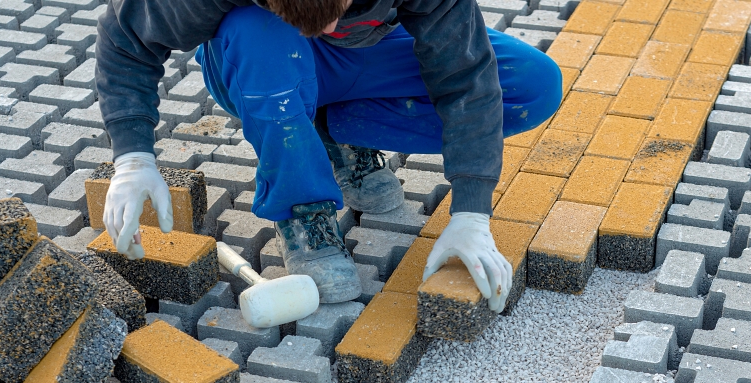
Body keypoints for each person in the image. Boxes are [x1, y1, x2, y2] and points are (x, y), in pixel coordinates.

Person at [96, 0, 562, 313]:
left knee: (531, 85)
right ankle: (304, 209)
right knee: (255, 29)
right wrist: (133, 156)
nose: (331, 29)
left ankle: (329, 129)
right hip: (264, 58)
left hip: (363, 56)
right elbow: (124, 38)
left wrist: (471, 213)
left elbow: (466, 76)